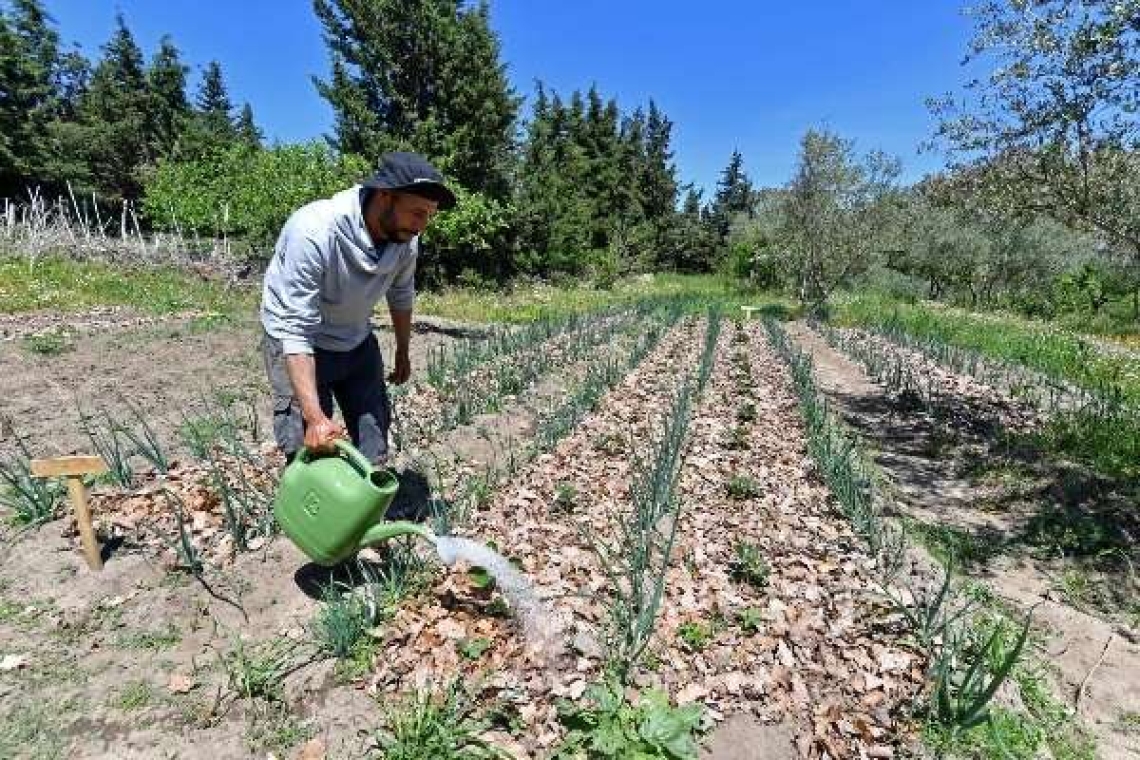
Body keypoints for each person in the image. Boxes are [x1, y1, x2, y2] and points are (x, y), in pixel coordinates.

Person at [260, 151, 456, 467]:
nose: (422, 226)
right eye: (417, 213)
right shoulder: (315, 230)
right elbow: (294, 328)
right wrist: (314, 416)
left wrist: (403, 351)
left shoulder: (405, 239)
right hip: (299, 341)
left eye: (429, 216)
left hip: (355, 337)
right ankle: (309, 509)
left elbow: (401, 293)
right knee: (309, 444)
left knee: (373, 434)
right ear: (385, 195)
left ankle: (364, 504)